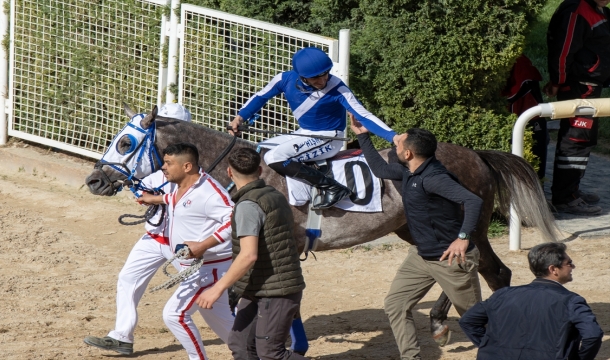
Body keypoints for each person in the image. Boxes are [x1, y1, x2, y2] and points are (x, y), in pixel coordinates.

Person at [350, 115, 483, 360]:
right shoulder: (409, 170)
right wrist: (362, 135)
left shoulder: (434, 178)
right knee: (396, 305)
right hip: (421, 257)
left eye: (398, 144)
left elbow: (473, 200)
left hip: (450, 260)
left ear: (409, 153)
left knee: (476, 321)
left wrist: (463, 237)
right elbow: (379, 168)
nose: (394, 146)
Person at [93, 143, 235, 359]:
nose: (164, 168)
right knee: (224, 323)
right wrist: (155, 199)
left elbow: (235, 220)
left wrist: (203, 245)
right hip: (197, 267)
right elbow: (180, 201)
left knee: (174, 315)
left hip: (208, 267)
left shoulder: (210, 192)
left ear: (187, 166)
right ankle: (262, 355)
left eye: (168, 163)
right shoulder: (182, 185)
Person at [228, 46, 401, 210]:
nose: (323, 80)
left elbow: (364, 115)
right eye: (316, 77)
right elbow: (261, 96)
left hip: (330, 138)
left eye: (326, 74)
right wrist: (240, 117)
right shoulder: (284, 79)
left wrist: (392, 137)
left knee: (275, 156)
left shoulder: (338, 88)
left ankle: (333, 188)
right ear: (301, 76)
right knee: (262, 149)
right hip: (304, 133)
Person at [83, 103, 192, 355]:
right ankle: (122, 336)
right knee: (128, 279)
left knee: (212, 297)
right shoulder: (157, 167)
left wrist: (155, 198)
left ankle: (243, 338)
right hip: (155, 238)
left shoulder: (192, 170)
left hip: (183, 245)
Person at [195, 147, 307, 360]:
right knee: (241, 346)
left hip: (275, 291)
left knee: (271, 354)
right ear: (260, 170)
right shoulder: (275, 195)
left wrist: (216, 289)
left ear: (229, 172)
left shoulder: (248, 206)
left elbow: (248, 255)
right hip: (259, 287)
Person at [459, 242, 603, 360]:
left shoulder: (502, 294)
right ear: (553, 269)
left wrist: (489, 347)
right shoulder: (572, 301)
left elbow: (468, 321)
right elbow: (592, 335)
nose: (573, 267)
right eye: (569, 263)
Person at [544, 0, 610, 215]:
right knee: (576, 139)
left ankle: (572, 190)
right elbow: (563, 51)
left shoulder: (601, 10)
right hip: (578, 86)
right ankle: (564, 198)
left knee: (585, 139)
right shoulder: (577, 10)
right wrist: (557, 81)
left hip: (592, 85)